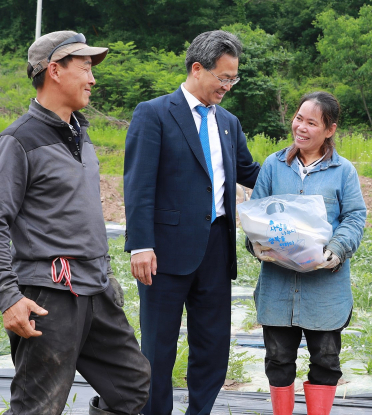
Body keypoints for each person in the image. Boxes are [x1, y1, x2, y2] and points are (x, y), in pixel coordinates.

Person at [0, 31, 150, 415]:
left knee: (131, 388)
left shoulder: (80, 133)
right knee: (39, 407)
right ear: (54, 70)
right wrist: (8, 297)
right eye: (85, 67)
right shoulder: (19, 141)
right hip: (49, 294)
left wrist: (106, 272)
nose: (93, 78)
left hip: (96, 289)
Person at [124, 30, 260, 415]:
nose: (228, 86)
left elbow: (252, 173)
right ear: (198, 69)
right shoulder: (154, 113)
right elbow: (138, 185)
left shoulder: (229, 123)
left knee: (213, 347)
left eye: (233, 78)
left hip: (216, 248)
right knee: (157, 349)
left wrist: (303, 166)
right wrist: (140, 243)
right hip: (164, 253)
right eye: (223, 77)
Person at [247, 91, 366, 415]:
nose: (300, 127)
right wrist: (257, 243)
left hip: (324, 289)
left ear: (329, 129)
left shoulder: (343, 171)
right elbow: (256, 214)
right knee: (278, 358)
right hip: (278, 286)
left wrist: (336, 249)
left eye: (311, 122)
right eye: (299, 118)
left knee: (326, 359)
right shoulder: (273, 166)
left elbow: (355, 217)